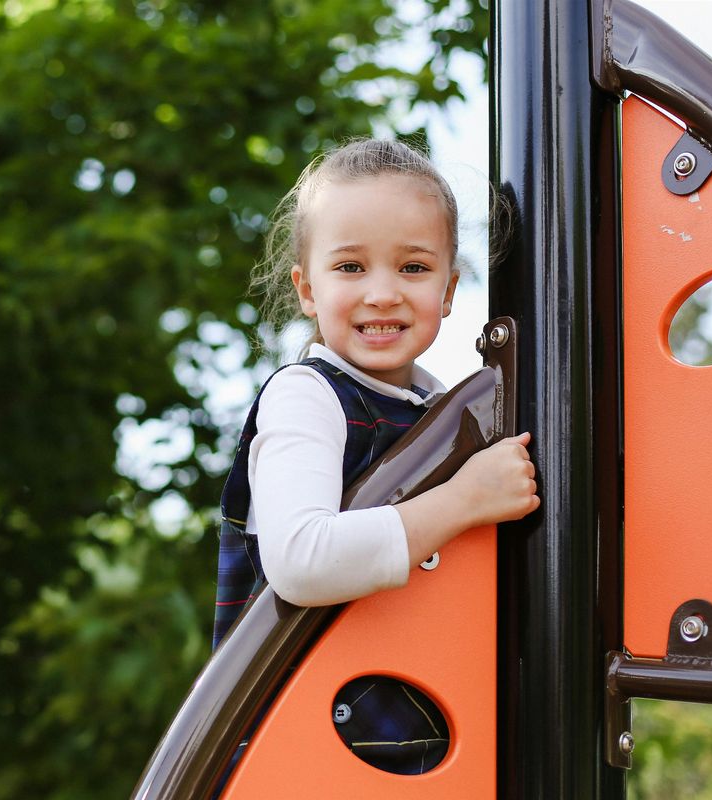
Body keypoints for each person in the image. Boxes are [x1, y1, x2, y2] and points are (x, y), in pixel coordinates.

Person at [213, 138, 539, 775]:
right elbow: (301, 562)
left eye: (414, 268)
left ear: (450, 289)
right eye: (351, 268)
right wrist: (464, 501)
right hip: (309, 745)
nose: (384, 293)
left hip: (422, 736)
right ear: (307, 289)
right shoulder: (307, 396)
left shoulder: (443, 412)